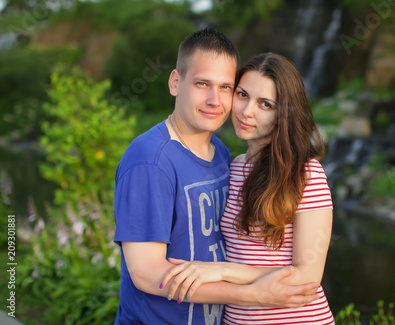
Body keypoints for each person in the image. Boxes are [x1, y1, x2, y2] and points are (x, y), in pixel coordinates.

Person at [113, 29, 321, 325]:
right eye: (202, 84)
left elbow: (288, 267)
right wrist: (253, 295)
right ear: (175, 82)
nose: (214, 100)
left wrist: (226, 274)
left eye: (225, 87)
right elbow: (146, 274)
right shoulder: (150, 160)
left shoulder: (224, 156)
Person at [161, 52, 335, 324]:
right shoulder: (233, 167)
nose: (247, 111)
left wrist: (219, 271)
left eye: (265, 104)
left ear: (284, 113)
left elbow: (307, 277)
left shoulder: (305, 173)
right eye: (242, 95)